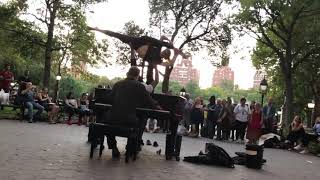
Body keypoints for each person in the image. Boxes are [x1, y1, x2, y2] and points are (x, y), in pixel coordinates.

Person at [105, 66, 160, 158]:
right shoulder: (140, 86)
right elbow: (149, 101)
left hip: (113, 118)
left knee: (107, 123)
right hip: (129, 120)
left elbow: (109, 99)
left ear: (127, 74)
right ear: (137, 76)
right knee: (141, 123)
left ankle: (114, 147)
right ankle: (131, 149)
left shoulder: (117, 84)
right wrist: (158, 106)